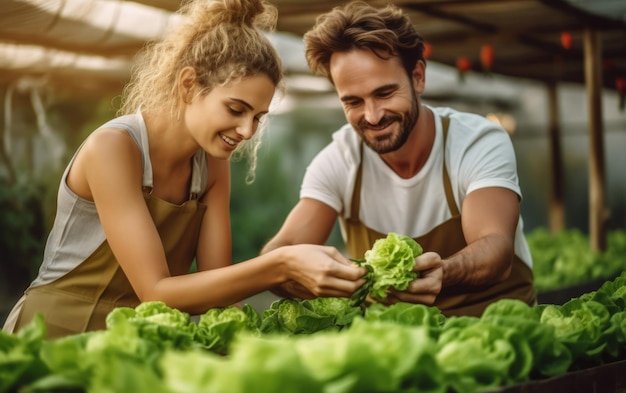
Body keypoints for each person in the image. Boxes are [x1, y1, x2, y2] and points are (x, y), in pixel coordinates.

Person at [3, 0, 366, 339]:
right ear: (189, 85)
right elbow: (156, 291)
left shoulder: (211, 165)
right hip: (51, 333)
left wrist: (248, 346)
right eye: (235, 109)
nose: (246, 131)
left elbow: (217, 290)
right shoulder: (114, 148)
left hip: (131, 342)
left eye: (258, 117)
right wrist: (281, 264)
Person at [262, 1, 536, 317]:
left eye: (385, 93)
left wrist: (444, 273)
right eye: (353, 101)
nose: (373, 115)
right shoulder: (338, 161)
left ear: (418, 77)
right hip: (397, 344)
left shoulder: (476, 141)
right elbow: (279, 253)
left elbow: (495, 250)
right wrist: (310, 276)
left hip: (495, 330)